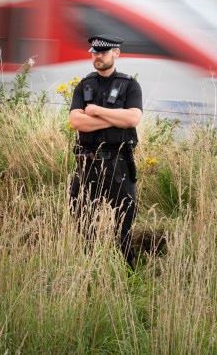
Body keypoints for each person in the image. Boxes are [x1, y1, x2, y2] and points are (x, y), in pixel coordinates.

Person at [68, 34, 143, 266]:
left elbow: (133, 118)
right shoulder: (84, 85)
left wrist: (98, 111)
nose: (97, 57)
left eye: (102, 53)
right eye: (94, 53)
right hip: (88, 164)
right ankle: (88, 272)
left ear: (116, 54)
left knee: (124, 225)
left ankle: (129, 278)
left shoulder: (130, 85)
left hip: (119, 164)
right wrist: (115, 119)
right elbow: (77, 122)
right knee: (83, 222)